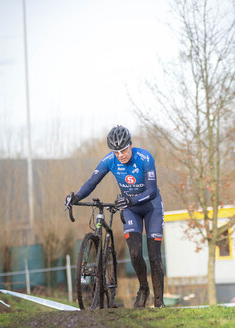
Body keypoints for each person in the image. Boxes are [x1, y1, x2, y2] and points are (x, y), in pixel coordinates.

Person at [67, 125, 165, 308]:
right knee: (135, 254)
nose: (121, 155)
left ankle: (159, 302)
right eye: (116, 151)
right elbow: (92, 182)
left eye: (124, 150)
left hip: (151, 207)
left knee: (154, 255)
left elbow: (152, 190)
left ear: (131, 145)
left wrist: (132, 200)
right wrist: (76, 197)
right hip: (130, 209)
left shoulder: (145, 158)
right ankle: (143, 289)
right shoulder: (109, 161)